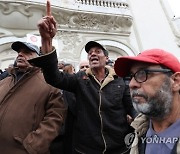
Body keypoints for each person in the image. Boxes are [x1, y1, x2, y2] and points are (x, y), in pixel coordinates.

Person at [28, 14, 136, 154]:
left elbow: (131, 107)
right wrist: (46, 40)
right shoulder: (80, 78)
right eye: (90, 53)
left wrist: (136, 122)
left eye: (97, 51)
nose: (92, 54)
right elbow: (54, 78)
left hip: (119, 147)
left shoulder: (119, 80)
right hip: (87, 148)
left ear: (107, 58)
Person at [0, 41, 66, 154]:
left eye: (26, 52)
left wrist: (32, 146)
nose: (20, 54)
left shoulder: (50, 84)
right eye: (19, 52)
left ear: (37, 59)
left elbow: (55, 119)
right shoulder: (4, 82)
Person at [114, 49, 180, 154]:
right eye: (131, 76)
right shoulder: (140, 130)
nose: (131, 84)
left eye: (142, 73)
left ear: (175, 81)